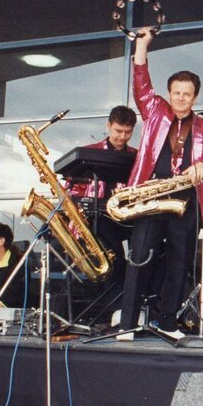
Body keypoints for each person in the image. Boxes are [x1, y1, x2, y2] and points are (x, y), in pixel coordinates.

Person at [114, 27, 203, 341]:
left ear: (196, 97)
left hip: (186, 199)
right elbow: (141, 84)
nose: (181, 98)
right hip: (152, 194)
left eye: (187, 94)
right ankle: (128, 324)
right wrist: (142, 47)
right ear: (169, 92)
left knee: (180, 261)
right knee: (140, 256)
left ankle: (167, 322)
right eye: (176, 92)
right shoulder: (156, 110)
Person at [65, 105, 138, 285]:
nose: (122, 137)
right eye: (118, 131)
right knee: (115, 259)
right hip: (97, 219)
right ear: (108, 126)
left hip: (127, 217)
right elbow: (71, 189)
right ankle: (118, 300)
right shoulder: (89, 152)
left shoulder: (138, 156)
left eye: (127, 132)